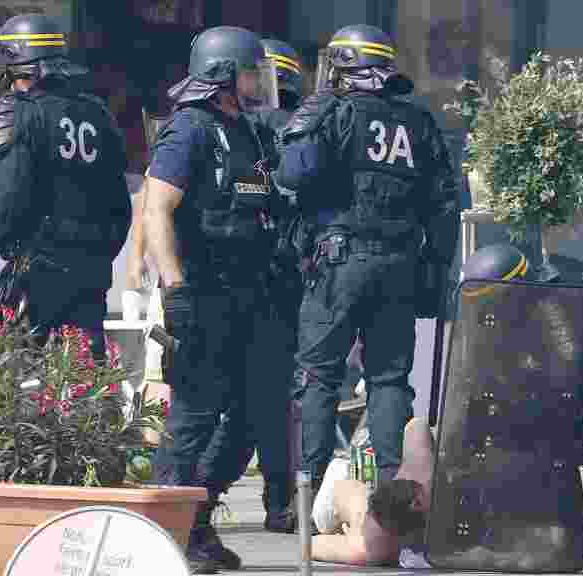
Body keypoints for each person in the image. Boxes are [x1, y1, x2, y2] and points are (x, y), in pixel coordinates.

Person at [276, 24, 460, 494]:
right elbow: (443, 205)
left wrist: (306, 120)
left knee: (318, 376)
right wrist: (435, 271)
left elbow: (294, 176)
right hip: (400, 266)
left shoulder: (331, 111)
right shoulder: (419, 121)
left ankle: (308, 492)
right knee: (390, 379)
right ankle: (389, 494)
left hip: (338, 263)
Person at [142, 26, 282, 573]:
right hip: (200, 293)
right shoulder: (190, 131)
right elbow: (156, 209)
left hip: (248, 294)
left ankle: (197, 518)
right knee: (194, 416)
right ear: (225, 74)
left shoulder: (245, 131)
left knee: (251, 417)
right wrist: (173, 288)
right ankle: (167, 533)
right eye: (252, 70)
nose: (258, 81)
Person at [0, 13, 131, 358]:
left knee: (10, 377)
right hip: (91, 270)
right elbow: (120, 206)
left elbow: (7, 199)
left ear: (15, 61)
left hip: (36, 270)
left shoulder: (18, 111)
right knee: (83, 377)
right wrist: (94, 254)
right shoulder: (97, 113)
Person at [194, 35, 306, 536]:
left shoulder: (241, 129)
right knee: (264, 400)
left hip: (250, 275)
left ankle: (205, 493)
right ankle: (270, 499)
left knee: (249, 402)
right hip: (275, 278)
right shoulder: (281, 129)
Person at [309, 417, 435, 565]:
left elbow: (417, 425)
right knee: (327, 522)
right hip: (337, 489)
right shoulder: (370, 548)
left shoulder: (424, 474)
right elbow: (307, 544)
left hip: (366, 493)